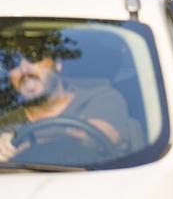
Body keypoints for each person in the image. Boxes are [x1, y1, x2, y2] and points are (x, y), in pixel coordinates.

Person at [0, 34, 131, 162]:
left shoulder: (101, 98)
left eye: (34, 56)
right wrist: (4, 149)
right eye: (12, 63)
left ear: (57, 64)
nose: (24, 69)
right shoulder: (6, 121)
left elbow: (102, 135)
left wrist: (28, 144)